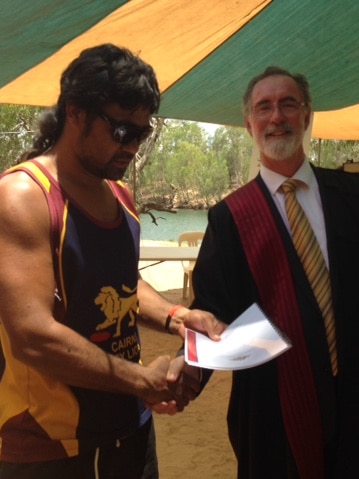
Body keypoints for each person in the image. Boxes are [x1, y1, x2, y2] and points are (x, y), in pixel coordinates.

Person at [0, 44, 224, 479]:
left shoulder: (119, 197)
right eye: (122, 130)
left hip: (130, 430)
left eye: (143, 133)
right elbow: (32, 336)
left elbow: (122, 282)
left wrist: (178, 316)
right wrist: (141, 380)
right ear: (76, 112)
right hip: (52, 446)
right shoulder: (22, 198)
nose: (133, 147)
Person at [191, 66, 359, 478]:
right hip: (275, 406)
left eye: (288, 104)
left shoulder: (351, 197)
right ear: (249, 123)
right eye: (263, 107)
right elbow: (212, 309)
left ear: (306, 116)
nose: (276, 117)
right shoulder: (230, 218)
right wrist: (185, 372)